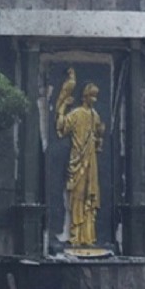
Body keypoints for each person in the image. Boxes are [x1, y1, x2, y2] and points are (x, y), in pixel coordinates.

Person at [56, 73, 106, 247]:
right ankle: (76, 233)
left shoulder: (95, 115)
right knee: (77, 195)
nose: (94, 99)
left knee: (89, 196)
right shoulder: (76, 113)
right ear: (84, 96)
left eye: (96, 96)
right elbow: (62, 127)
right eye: (91, 95)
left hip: (91, 160)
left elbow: (99, 135)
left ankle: (88, 235)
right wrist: (62, 107)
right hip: (77, 159)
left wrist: (100, 136)